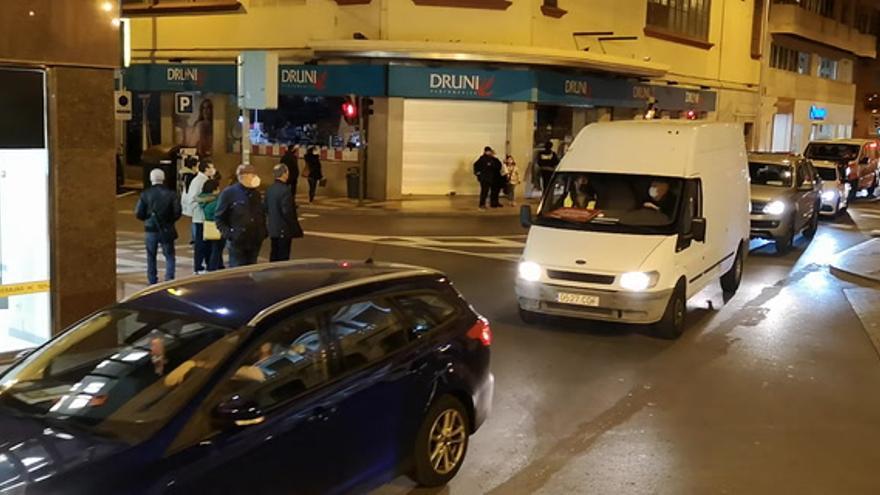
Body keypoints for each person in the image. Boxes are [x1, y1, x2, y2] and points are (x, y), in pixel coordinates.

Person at [135, 169, 182, 285]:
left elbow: (138, 213)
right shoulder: (171, 194)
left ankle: (152, 279)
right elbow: (177, 212)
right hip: (166, 228)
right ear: (163, 178)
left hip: (151, 229)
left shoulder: (145, 194)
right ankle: (169, 278)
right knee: (169, 255)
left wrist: (147, 218)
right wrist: (169, 220)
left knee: (151, 255)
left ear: (151, 179)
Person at [215, 164, 268, 267]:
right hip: (237, 242)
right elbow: (219, 217)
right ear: (242, 176)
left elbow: (261, 213)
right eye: (252, 174)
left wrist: (263, 232)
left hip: (255, 241)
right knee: (238, 273)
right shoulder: (229, 193)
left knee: (252, 271)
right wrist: (230, 234)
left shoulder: (256, 194)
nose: (255, 177)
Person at [182, 160, 216, 274]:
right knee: (201, 242)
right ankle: (199, 266)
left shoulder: (203, 180)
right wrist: (209, 200)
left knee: (205, 242)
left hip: (202, 217)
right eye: (211, 167)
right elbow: (194, 199)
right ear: (206, 169)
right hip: (201, 217)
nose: (213, 170)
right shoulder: (199, 181)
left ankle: (205, 264)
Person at [265, 164, 298, 262]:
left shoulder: (270, 189)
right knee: (283, 256)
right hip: (284, 229)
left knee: (274, 253)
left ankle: (271, 274)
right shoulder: (285, 190)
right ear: (284, 174)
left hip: (273, 228)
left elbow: (265, 207)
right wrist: (294, 226)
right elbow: (287, 211)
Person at [198, 179, 225, 271]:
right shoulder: (216, 202)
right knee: (217, 249)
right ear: (215, 189)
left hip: (207, 226)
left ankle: (217, 265)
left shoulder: (203, 199)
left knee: (209, 248)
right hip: (216, 227)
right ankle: (212, 268)